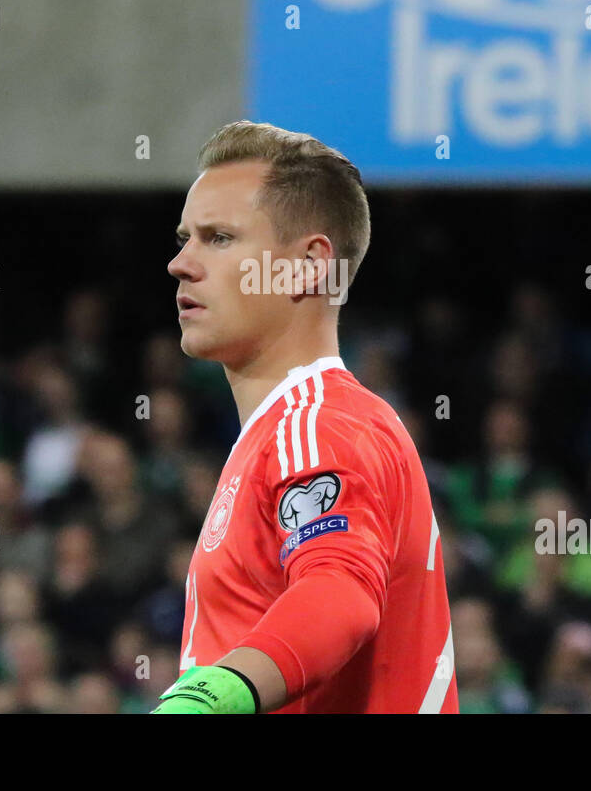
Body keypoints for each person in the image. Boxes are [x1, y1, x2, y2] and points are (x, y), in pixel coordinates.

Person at [154, 121, 458, 714]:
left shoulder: (316, 424)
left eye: (218, 238)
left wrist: (212, 697)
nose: (180, 263)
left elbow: (340, 593)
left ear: (307, 265)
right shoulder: (283, 433)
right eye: (184, 237)